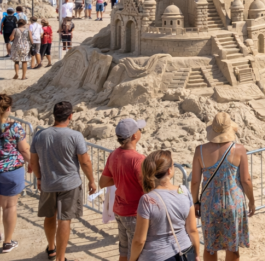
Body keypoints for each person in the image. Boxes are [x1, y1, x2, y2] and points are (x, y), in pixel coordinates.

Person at [30, 101, 97, 261]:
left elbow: (33, 161)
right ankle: (60, 258)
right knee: (64, 219)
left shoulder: (39, 135)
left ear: (54, 115)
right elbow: (85, 161)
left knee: (50, 216)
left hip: (48, 183)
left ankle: (51, 248)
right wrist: (92, 181)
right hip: (69, 184)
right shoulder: (75, 136)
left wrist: (39, 178)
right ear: (70, 116)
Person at [191, 112, 255, 261]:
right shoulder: (239, 149)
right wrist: (251, 201)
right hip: (233, 203)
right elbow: (246, 180)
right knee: (233, 247)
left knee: (210, 247)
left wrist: (195, 202)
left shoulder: (199, 150)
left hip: (209, 203)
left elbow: (195, 181)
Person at [130, 150, 201, 261]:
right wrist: (196, 253)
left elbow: (139, 240)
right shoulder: (184, 192)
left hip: (156, 255)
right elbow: (192, 230)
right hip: (185, 251)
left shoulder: (147, 200)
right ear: (169, 171)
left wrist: (132, 259)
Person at [100, 119, 147, 261]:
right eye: (139, 129)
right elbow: (148, 188)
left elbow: (103, 182)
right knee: (137, 253)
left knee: (123, 251)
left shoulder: (114, 154)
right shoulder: (138, 160)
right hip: (134, 213)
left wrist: (121, 177)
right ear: (134, 136)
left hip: (119, 210)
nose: (140, 132)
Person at [0, 94, 30, 253]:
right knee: (9, 206)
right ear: (8, 109)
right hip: (12, 170)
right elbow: (24, 149)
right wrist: (31, 162)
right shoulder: (14, 127)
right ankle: (7, 242)